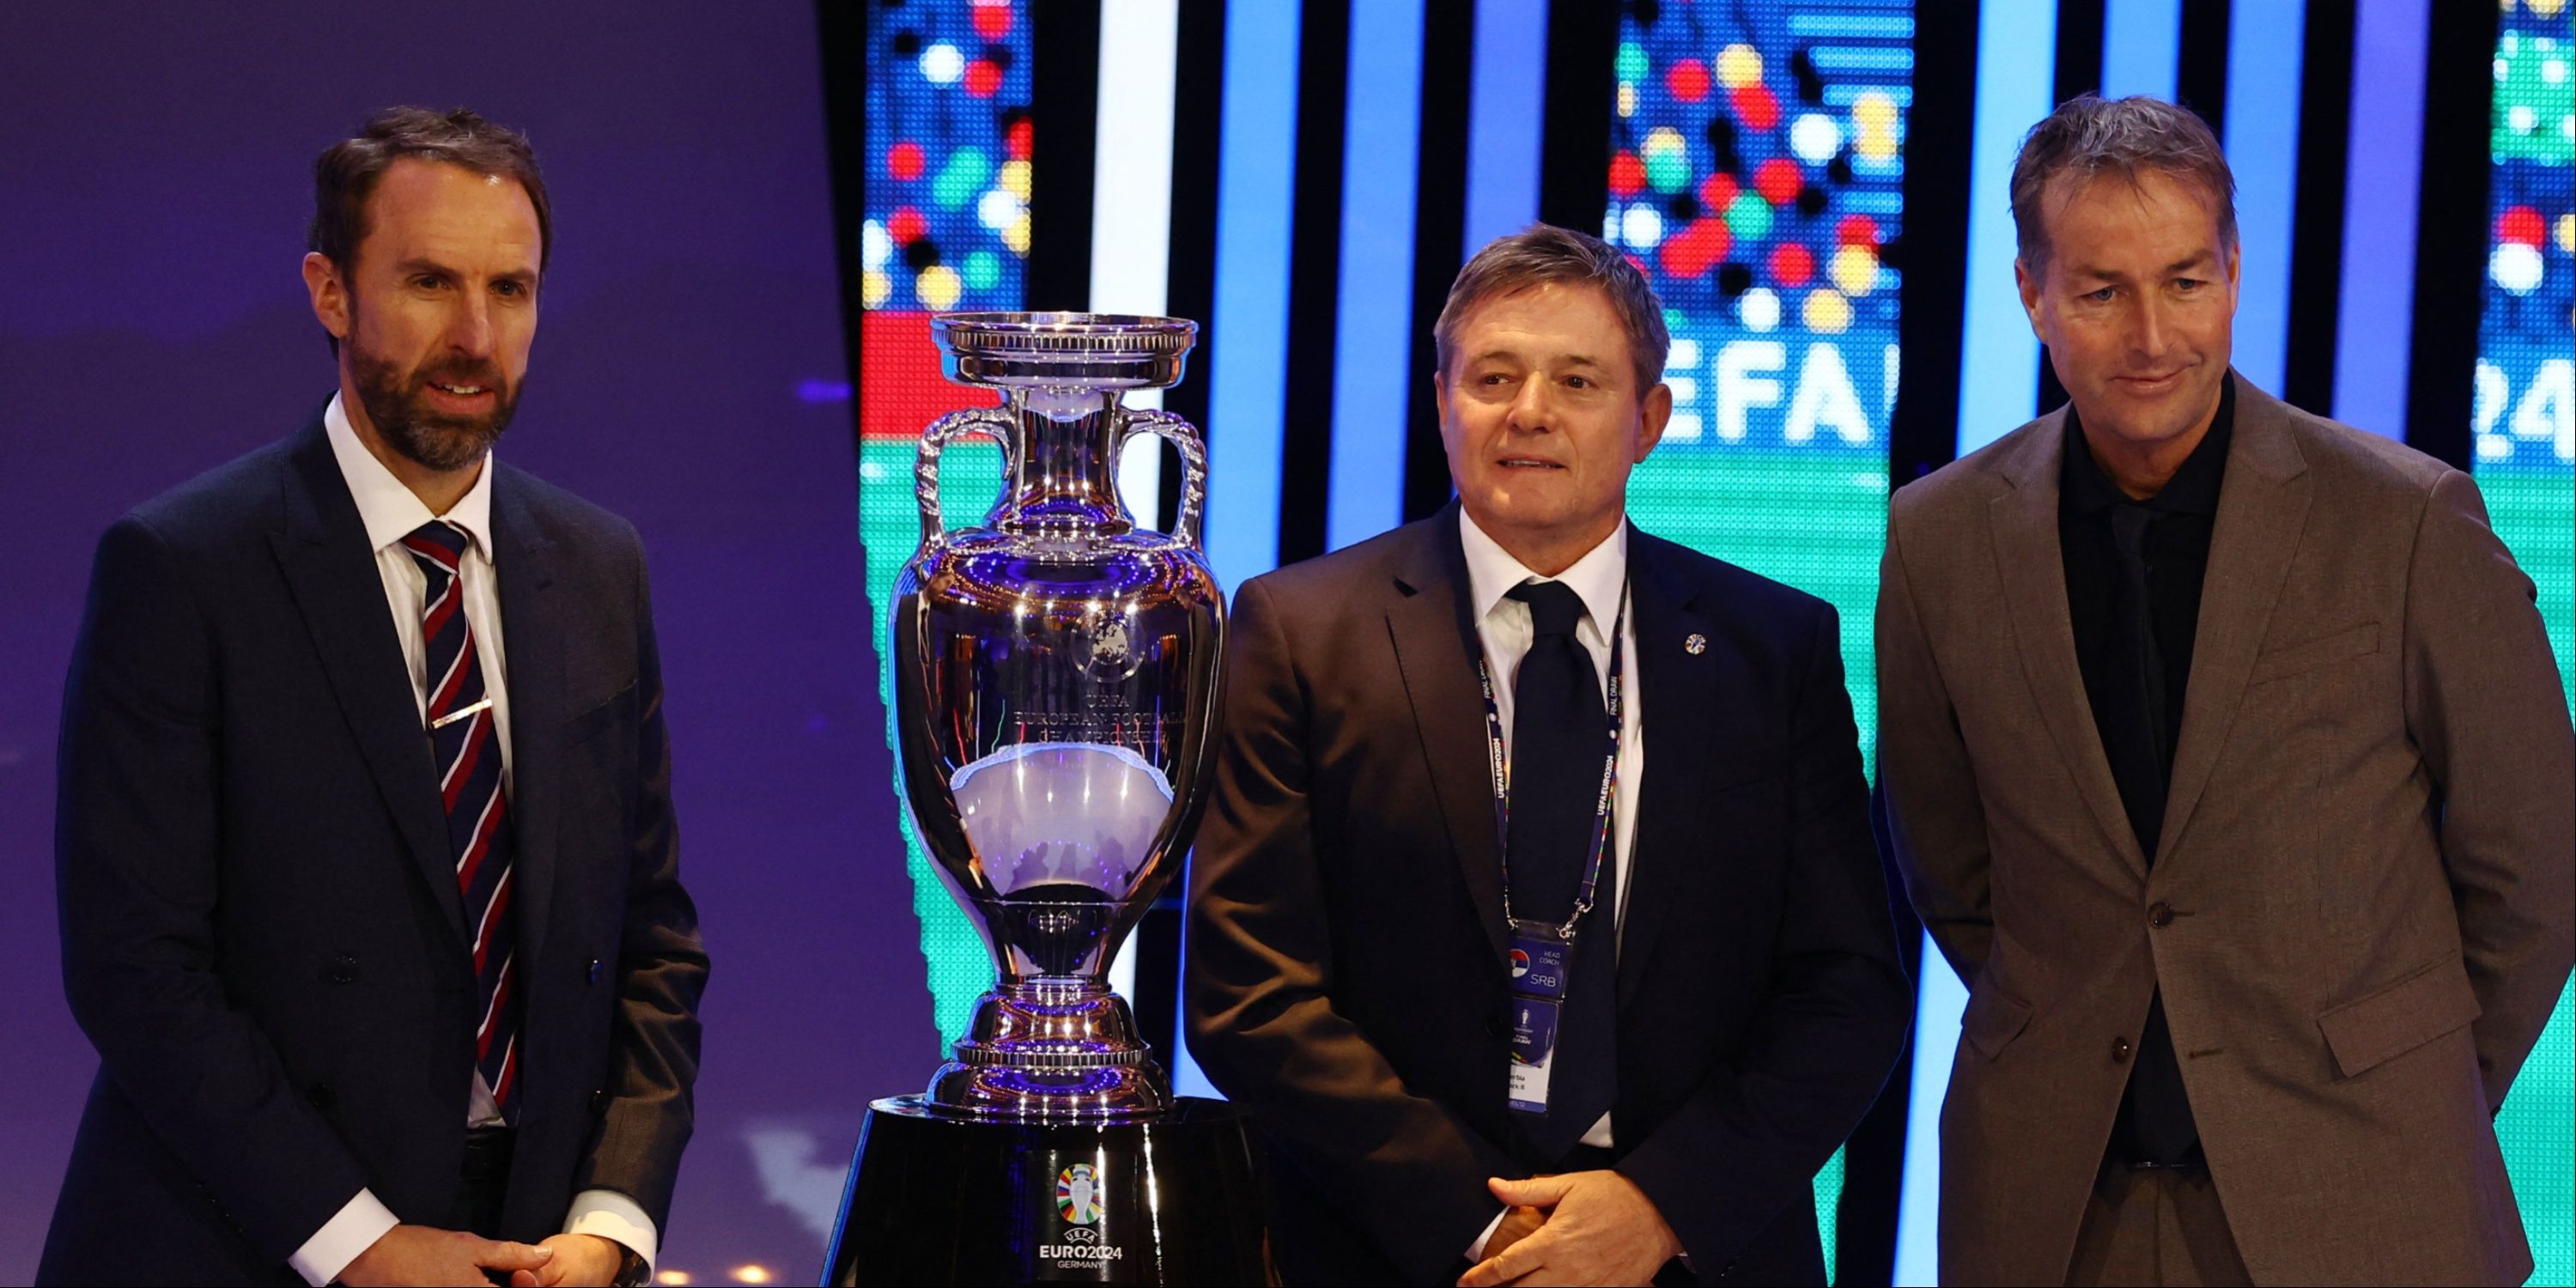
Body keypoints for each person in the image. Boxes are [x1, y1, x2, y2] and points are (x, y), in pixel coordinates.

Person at [1877, 94, 2574, 1286]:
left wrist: (2409, 1083)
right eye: (2102, 292)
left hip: (2365, 1196)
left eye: (2185, 282)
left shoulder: (2407, 520)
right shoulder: (1939, 540)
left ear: (2236, 274)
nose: (2152, 335)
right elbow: (1951, 865)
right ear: (2030, 294)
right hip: (2054, 1212)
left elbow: (2535, 863)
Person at [39, 106, 708, 1288]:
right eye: (429, 282)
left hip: (535, 1250)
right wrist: (361, 1245)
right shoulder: (184, 567)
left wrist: (613, 1217)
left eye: (511, 289)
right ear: (330, 291)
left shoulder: (603, 566)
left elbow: (651, 939)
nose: (473, 333)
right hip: (246, 1241)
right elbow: (136, 967)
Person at [1187, 224, 1911, 1286]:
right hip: (1395, 1253)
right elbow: (1251, 991)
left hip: (1694, 1257)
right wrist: (1485, 1227)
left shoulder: (1775, 648)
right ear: (1443, 404)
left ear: (1647, 419)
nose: (1530, 411)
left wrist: (1660, 1210)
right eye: (1494, 376)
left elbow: (1848, 989)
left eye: (1577, 379)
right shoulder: (1302, 631)